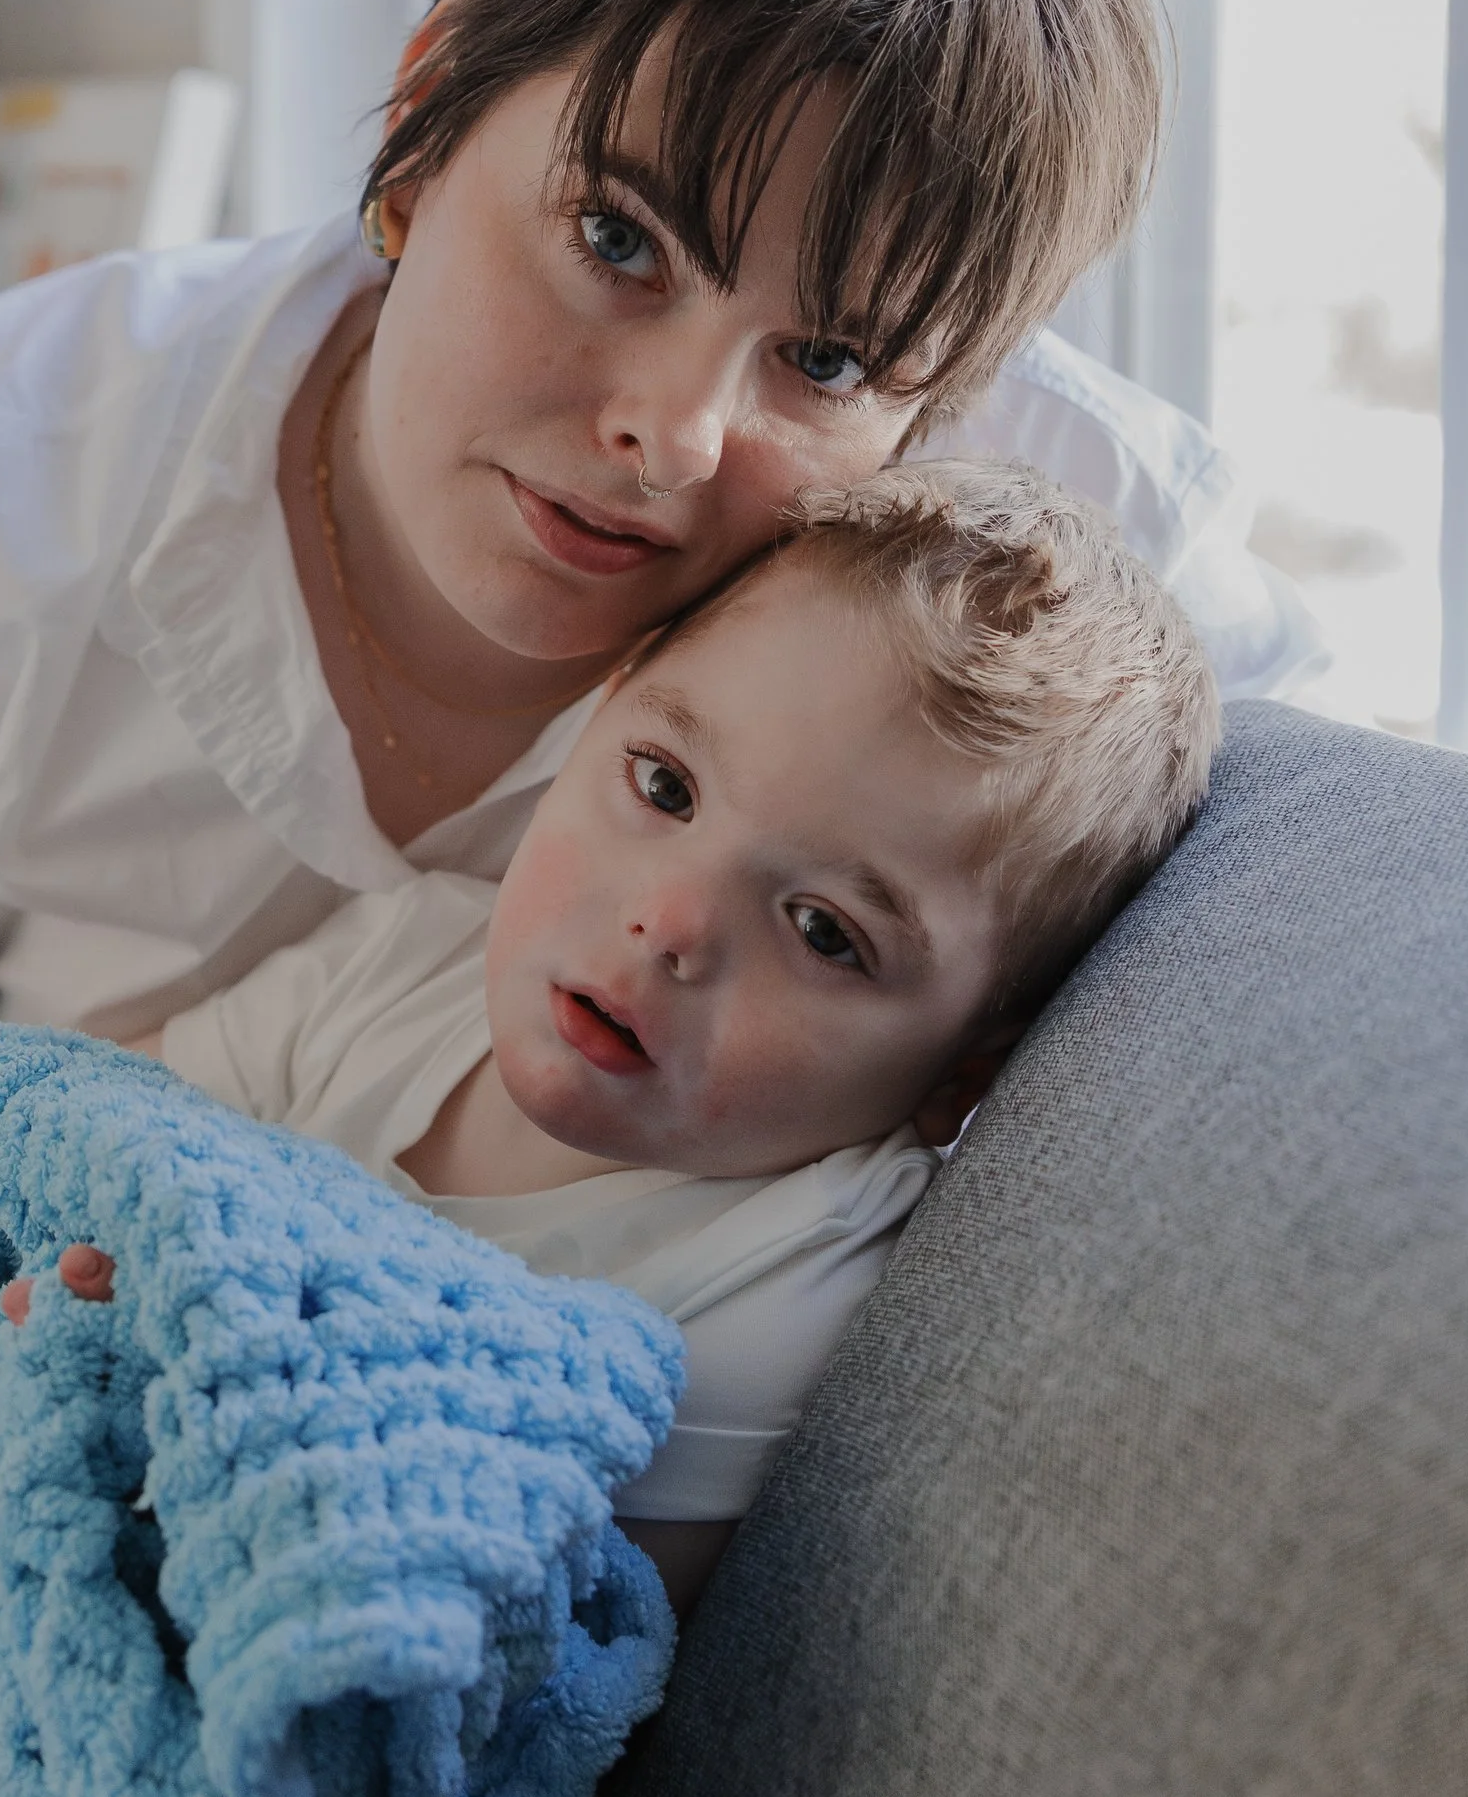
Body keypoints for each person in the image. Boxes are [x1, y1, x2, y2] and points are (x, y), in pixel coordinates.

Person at [0, 0, 1317, 1436]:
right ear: (427, 106)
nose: (676, 435)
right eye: (618, 239)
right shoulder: (7, 463)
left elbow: (1335, 900)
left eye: (831, 363)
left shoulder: (1052, 534)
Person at [103, 459, 1221, 1618]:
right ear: (602, 710)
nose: (671, 923)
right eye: (665, 786)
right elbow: (92, 1124)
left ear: (964, 1075)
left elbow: (524, 1615)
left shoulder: (783, 1272)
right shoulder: (410, 955)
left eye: (823, 932)